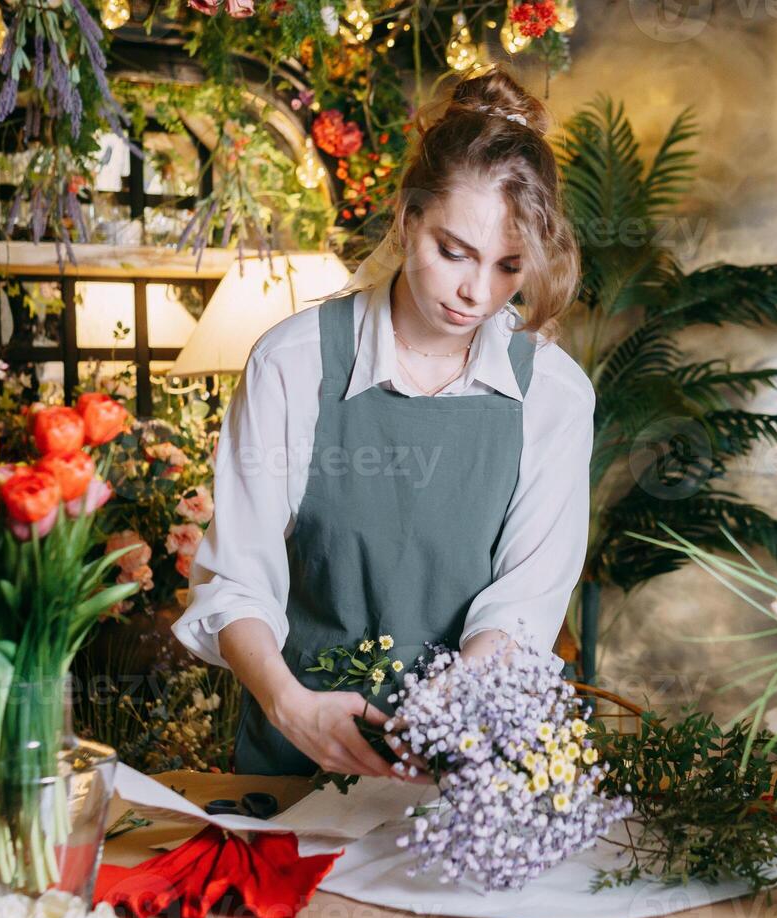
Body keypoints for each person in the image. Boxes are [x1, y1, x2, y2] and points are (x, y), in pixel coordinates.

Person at [171, 65, 594, 779]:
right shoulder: (292, 364)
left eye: (507, 266)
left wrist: (441, 723)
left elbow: (523, 602)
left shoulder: (554, 394)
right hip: (294, 757)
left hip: (467, 768)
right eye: (453, 252)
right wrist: (288, 704)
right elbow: (237, 579)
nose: (475, 291)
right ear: (406, 219)